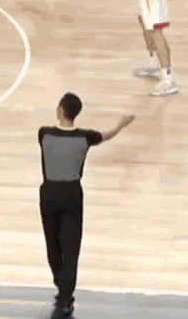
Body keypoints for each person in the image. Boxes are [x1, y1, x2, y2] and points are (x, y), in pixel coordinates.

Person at [38, 93, 135, 319]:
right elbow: (105, 135)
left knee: (53, 249)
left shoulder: (44, 133)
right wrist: (121, 125)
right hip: (72, 195)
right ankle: (65, 295)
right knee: (71, 250)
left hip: (49, 194)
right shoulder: (85, 137)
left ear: (60, 111)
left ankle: (63, 294)